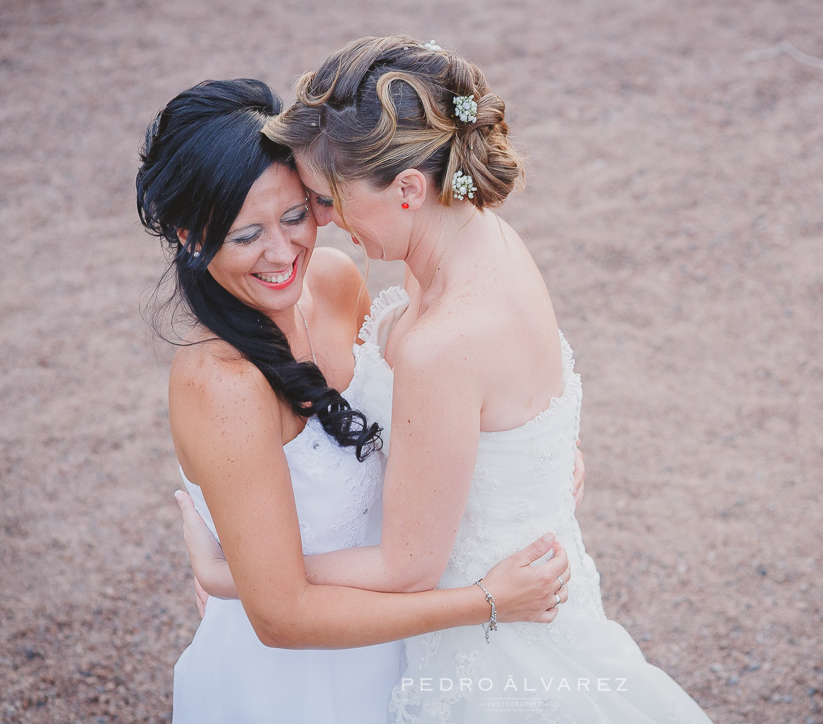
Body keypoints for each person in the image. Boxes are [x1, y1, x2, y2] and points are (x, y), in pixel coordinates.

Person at [187, 37, 712, 722]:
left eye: (324, 198)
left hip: (489, 651)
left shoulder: (443, 342)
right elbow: (506, 404)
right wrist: (541, 463)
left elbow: (407, 569)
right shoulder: (472, 238)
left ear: (407, 188)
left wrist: (239, 576)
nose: (322, 221)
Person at [135, 78, 571, 724]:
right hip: (303, 688)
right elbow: (282, 616)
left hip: (399, 646)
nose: (284, 254)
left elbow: (423, 420)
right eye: (245, 235)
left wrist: (536, 458)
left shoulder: (335, 281)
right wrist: (483, 602)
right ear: (192, 236)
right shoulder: (221, 387)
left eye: (295, 215)